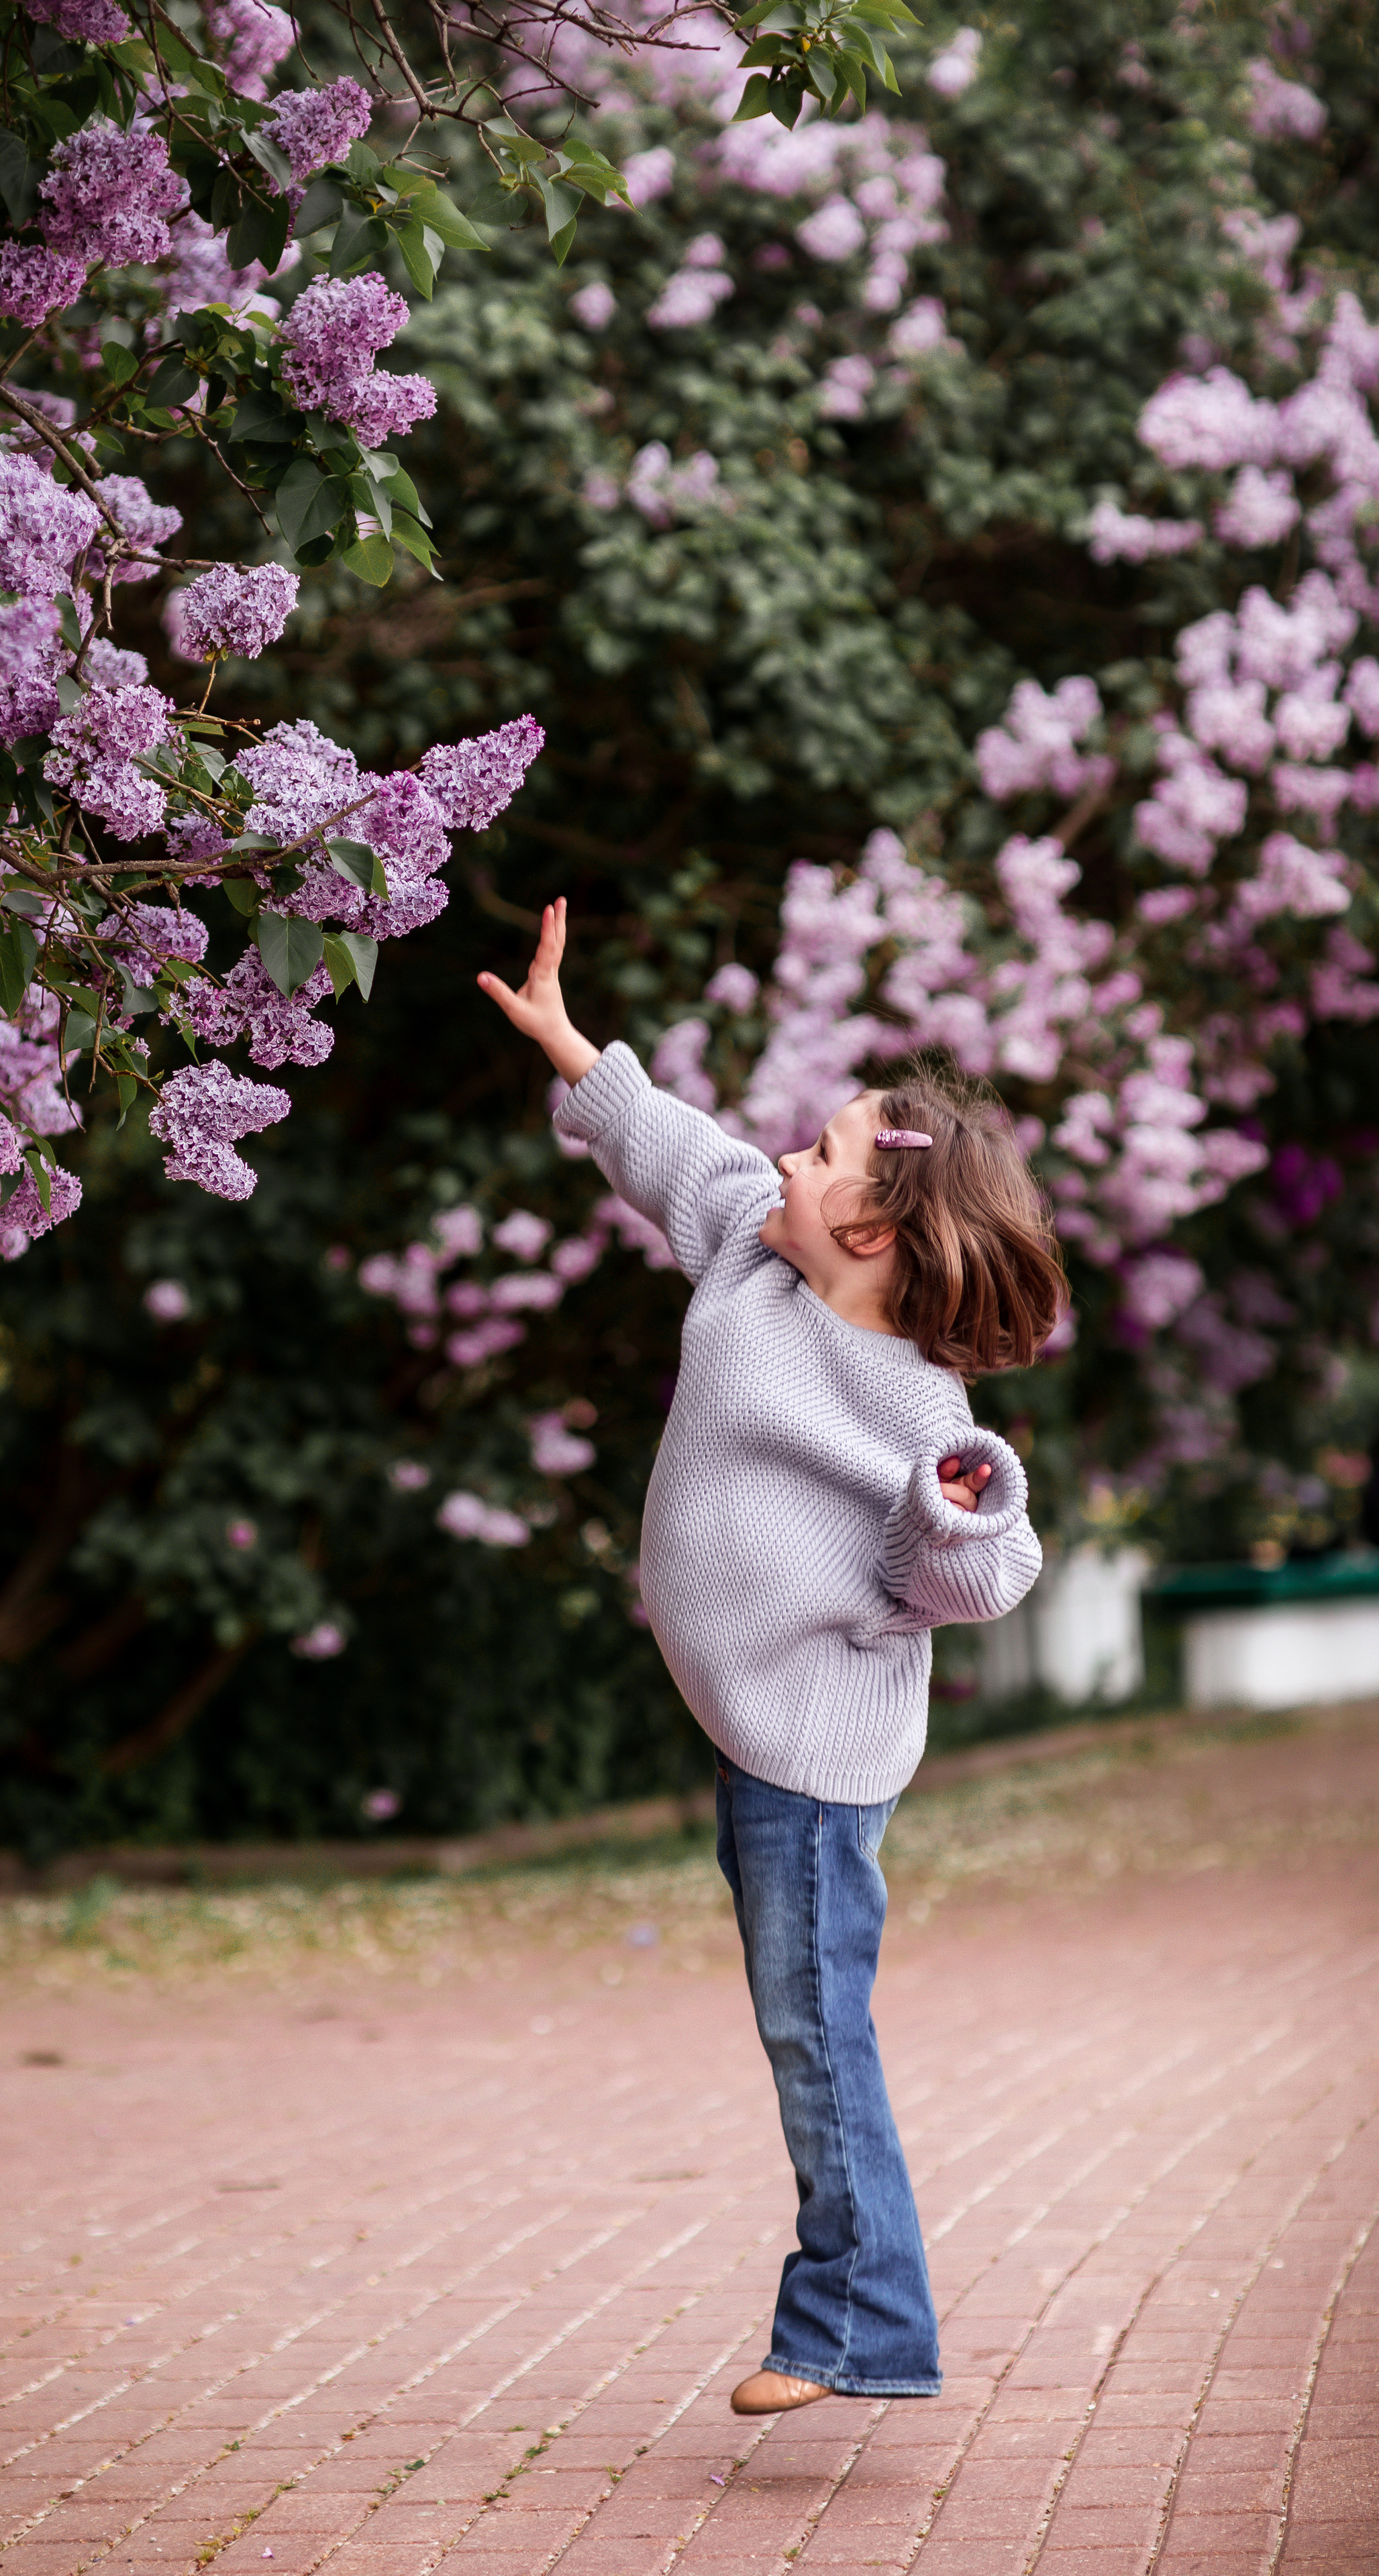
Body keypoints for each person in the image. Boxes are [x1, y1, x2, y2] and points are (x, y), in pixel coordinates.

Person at [478, 899, 1064, 2416]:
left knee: (813, 2024)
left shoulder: (915, 1406)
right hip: (752, 1725)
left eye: (820, 1155)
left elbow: (989, 1570)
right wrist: (567, 1045)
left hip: (809, 1750)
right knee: (805, 2018)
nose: (787, 1160)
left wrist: (957, 1506)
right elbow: (672, 1147)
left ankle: (858, 2325)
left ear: (868, 1228)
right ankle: (862, 2315)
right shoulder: (750, 1252)